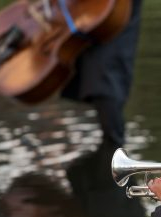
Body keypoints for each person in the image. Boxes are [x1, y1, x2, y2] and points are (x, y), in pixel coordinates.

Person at [61, 0, 143, 148]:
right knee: (96, 76)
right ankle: (111, 148)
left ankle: (116, 151)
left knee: (106, 81)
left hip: (112, 12)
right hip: (91, 15)